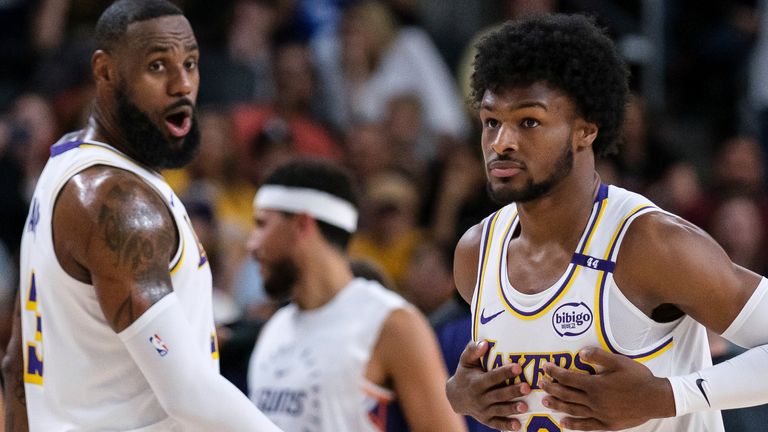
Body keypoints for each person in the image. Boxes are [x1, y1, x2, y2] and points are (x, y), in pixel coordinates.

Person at [444, 13, 768, 432]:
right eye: (491, 122)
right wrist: (457, 393)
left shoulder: (649, 244)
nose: (501, 142)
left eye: (528, 121)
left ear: (585, 131)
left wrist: (667, 396)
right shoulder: (476, 254)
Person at [0, 1, 281, 430]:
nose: (182, 84)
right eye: (157, 66)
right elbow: (189, 393)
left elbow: (16, 362)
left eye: (190, 63)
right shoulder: (118, 202)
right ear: (106, 72)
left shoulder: (63, 167)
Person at [245, 158, 467, 432]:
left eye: (261, 224)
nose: (251, 244)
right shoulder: (274, 329)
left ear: (302, 224)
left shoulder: (391, 322)